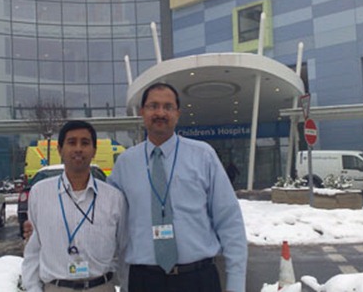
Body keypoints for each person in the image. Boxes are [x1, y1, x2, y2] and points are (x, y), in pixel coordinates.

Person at [107, 82, 247, 292]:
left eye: (168, 107)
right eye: (153, 106)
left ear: (178, 113)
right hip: (144, 281)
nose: (160, 113)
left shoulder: (203, 156)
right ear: (143, 111)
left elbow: (229, 221)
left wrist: (236, 284)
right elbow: (107, 218)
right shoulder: (125, 164)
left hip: (197, 280)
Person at [22, 120, 127, 292]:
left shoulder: (114, 198)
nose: (78, 148)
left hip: (101, 286)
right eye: (71, 142)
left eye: (85, 143)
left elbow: (123, 250)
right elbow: (33, 250)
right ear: (60, 149)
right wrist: (33, 288)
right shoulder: (40, 193)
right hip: (57, 287)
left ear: (94, 151)